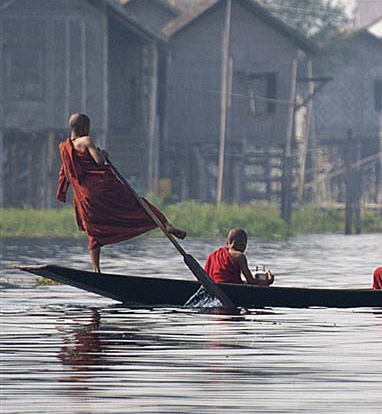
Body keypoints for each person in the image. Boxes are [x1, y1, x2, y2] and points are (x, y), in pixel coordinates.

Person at [56, 112, 186, 273]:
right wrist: (103, 153)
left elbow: (67, 175)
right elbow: (99, 161)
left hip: (85, 197)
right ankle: (166, 225)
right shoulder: (87, 141)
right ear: (85, 127)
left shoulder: (64, 148)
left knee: (94, 230)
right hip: (104, 189)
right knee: (140, 203)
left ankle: (96, 269)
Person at [204, 228, 274, 285]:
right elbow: (251, 281)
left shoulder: (212, 255)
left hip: (214, 289)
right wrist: (267, 281)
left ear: (227, 242)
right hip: (229, 291)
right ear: (242, 244)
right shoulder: (239, 256)